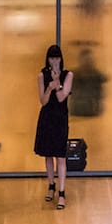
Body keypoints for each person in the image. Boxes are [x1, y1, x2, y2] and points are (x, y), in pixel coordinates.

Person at [34, 44, 74, 210]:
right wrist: (49, 87)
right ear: (48, 59)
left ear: (61, 58)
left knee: (61, 157)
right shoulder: (41, 75)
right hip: (46, 118)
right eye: (52, 58)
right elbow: (43, 101)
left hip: (60, 118)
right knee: (48, 155)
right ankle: (51, 186)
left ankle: (62, 192)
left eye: (57, 58)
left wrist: (56, 83)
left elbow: (62, 98)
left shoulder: (68, 75)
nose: (55, 61)